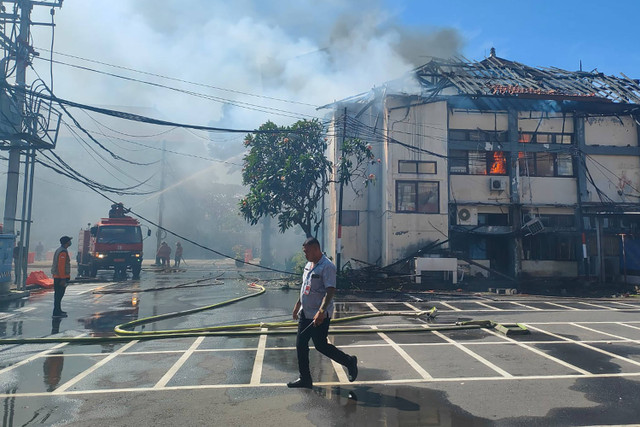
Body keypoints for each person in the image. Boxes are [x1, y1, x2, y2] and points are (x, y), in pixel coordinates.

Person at [287, 237, 358, 389]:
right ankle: (305, 379)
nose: (305, 254)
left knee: (321, 346)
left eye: (306, 252)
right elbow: (304, 287)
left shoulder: (327, 266)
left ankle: (349, 361)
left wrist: (321, 311)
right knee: (301, 345)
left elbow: (330, 290)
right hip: (305, 313)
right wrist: (298, 304)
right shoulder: (308, 265)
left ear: (315, 249)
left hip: (319, 316)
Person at [51, 236, 72, 318]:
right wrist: (63, 278)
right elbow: (61, 266)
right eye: (69, 241)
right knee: (59, 295)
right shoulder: (62, 252)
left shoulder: (61, 250)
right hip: (60, 277)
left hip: (58, 276)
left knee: (58, 295)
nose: (70, 242)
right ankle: (56, 312)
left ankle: (58, 310)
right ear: (66, 242)